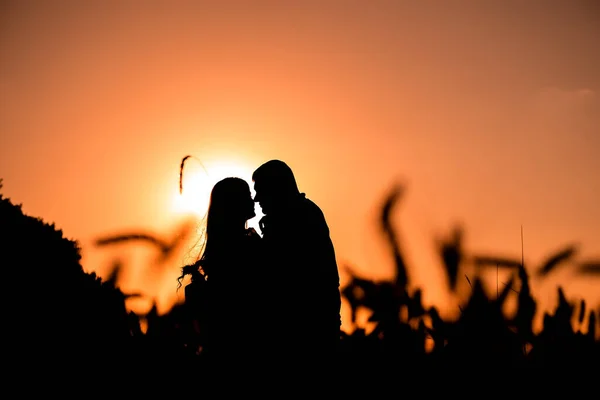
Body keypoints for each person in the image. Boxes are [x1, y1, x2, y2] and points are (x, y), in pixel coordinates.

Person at [252, 159, 341, 364]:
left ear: (276, 188)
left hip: (306, 331)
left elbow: (281, 270)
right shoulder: (294, 214)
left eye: (261, 190)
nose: (257, 199)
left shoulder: (298, 217)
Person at [176, 177, 263, 365]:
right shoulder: (241, 247)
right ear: (235, 204)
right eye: (247, 195)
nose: (253, 200)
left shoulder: (225, 246)